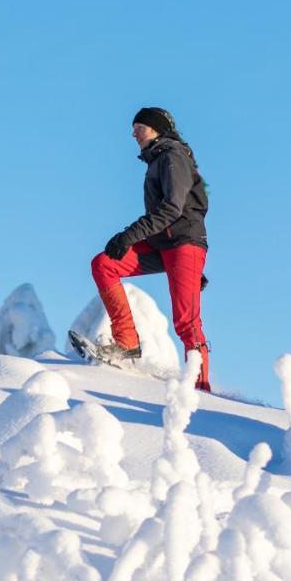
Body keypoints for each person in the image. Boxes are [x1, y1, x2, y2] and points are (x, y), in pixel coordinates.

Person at [75, 107, 212, 391]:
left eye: (140, 127)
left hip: (183, 243)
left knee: (186, 323)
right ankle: (126, 342)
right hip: (163, 244)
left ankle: (201, 389)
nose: (133, 133)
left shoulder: (173, 156)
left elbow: (172, 209)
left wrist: (129, 235)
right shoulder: (158, 160)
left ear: (157, 129)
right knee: (105, 264)